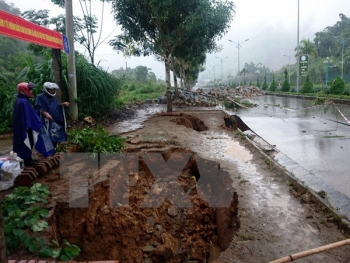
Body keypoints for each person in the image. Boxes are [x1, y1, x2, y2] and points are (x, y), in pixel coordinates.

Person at [13, 82, 55, 166]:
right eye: (30, 90)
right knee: (27, 141)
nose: (31, 92)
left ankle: (26, 159)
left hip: (21, 126)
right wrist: (37, 123)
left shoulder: (20, 100)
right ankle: (27, 160)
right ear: (24, 91)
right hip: (26, 126)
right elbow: (30, 116)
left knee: (23, 142)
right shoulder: (23, 102)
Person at [35, 82, 69, 147]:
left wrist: (62, 105)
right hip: (46, 120)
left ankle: (53, 148)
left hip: (54, 119)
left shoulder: (53, 98)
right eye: (51, 89)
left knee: (55, 134)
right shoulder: (40, 97)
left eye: (53, 89)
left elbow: (56, 106)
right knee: (46, 134)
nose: (53, 91)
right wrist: (46, 113)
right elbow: (38, 107)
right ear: (46, 89)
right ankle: (47, 150)